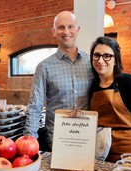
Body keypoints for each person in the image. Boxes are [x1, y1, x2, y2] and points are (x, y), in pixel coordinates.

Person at [23, 11, 94, 150]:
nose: (66, 31)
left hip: (88, 139)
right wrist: (28, 140)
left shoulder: (92, 63)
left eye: (70, 27)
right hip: (57, 142)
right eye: (61, 27)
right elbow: (35, 106)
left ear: (77, 30)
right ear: (54, 32)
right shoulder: (44, 67)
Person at [89, 36, 131, 162]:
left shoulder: (128, 81)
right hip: (101, 149)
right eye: (97, 55)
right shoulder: (92, 86)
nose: (100, 60)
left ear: (115, 60)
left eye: (107, 56)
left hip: (129, 149)